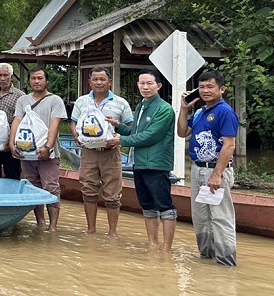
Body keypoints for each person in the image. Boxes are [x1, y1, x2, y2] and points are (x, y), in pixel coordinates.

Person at [106, 70, 177, 251]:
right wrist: (118, 126)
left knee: (165, 206)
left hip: (157, 164)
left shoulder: (164, 109)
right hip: (140, 163)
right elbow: (135, 132)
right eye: (141, 83)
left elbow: (151, 136)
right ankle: (153, 244)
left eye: (149, 83)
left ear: (158, 86)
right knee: (147, 205)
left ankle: (167, 249)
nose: (145, 87)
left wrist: (121, 140)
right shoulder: (141, 106)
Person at [177, 70, 239, 266]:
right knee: (201, 217)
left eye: (210, 87)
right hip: (198, 169)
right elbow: (182, 132)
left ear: (222, 89)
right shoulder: (199, 112)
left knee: (221, 217)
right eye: (201, 87)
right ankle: (207, 258)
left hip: (215, 170)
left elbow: (229, 145)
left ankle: (226, 263)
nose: (205, 91)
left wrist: (217, 174)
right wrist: (184, 109)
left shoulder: (225, 112)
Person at [70, 66, 133, 236]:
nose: (99, 82)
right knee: (88, 189)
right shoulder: (82, 101)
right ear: (89, 82)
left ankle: (112, 233)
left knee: (113, 193)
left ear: (110, 82)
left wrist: (117, 133)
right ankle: (91, 230)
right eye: (95, 79)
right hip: (88, 152)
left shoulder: (121, 103)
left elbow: (130, 127)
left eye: (102, 79)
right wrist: (76, 135)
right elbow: (74, 122)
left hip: (111, 152)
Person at [9, 67, 67, 231]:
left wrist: (48, 147)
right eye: (33, 78)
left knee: (51, 187)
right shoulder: (22, 100)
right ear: (29, 81)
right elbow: (17, 121)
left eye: (40, 78)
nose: (36, 81)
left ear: (46, 81)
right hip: (26, 153)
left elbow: (54, 125)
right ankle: (40, 222)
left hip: (47, 154)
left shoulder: (55, 100)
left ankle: (53, 226)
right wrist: (12, 143)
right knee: (33, 186)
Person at [0, 63, 24, 180]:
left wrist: (12, 141)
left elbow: (22, 121)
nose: (2, 78)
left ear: (11, 77)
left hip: (9, 142)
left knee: (12, 175)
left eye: (5, 75)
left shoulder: (19, 95)